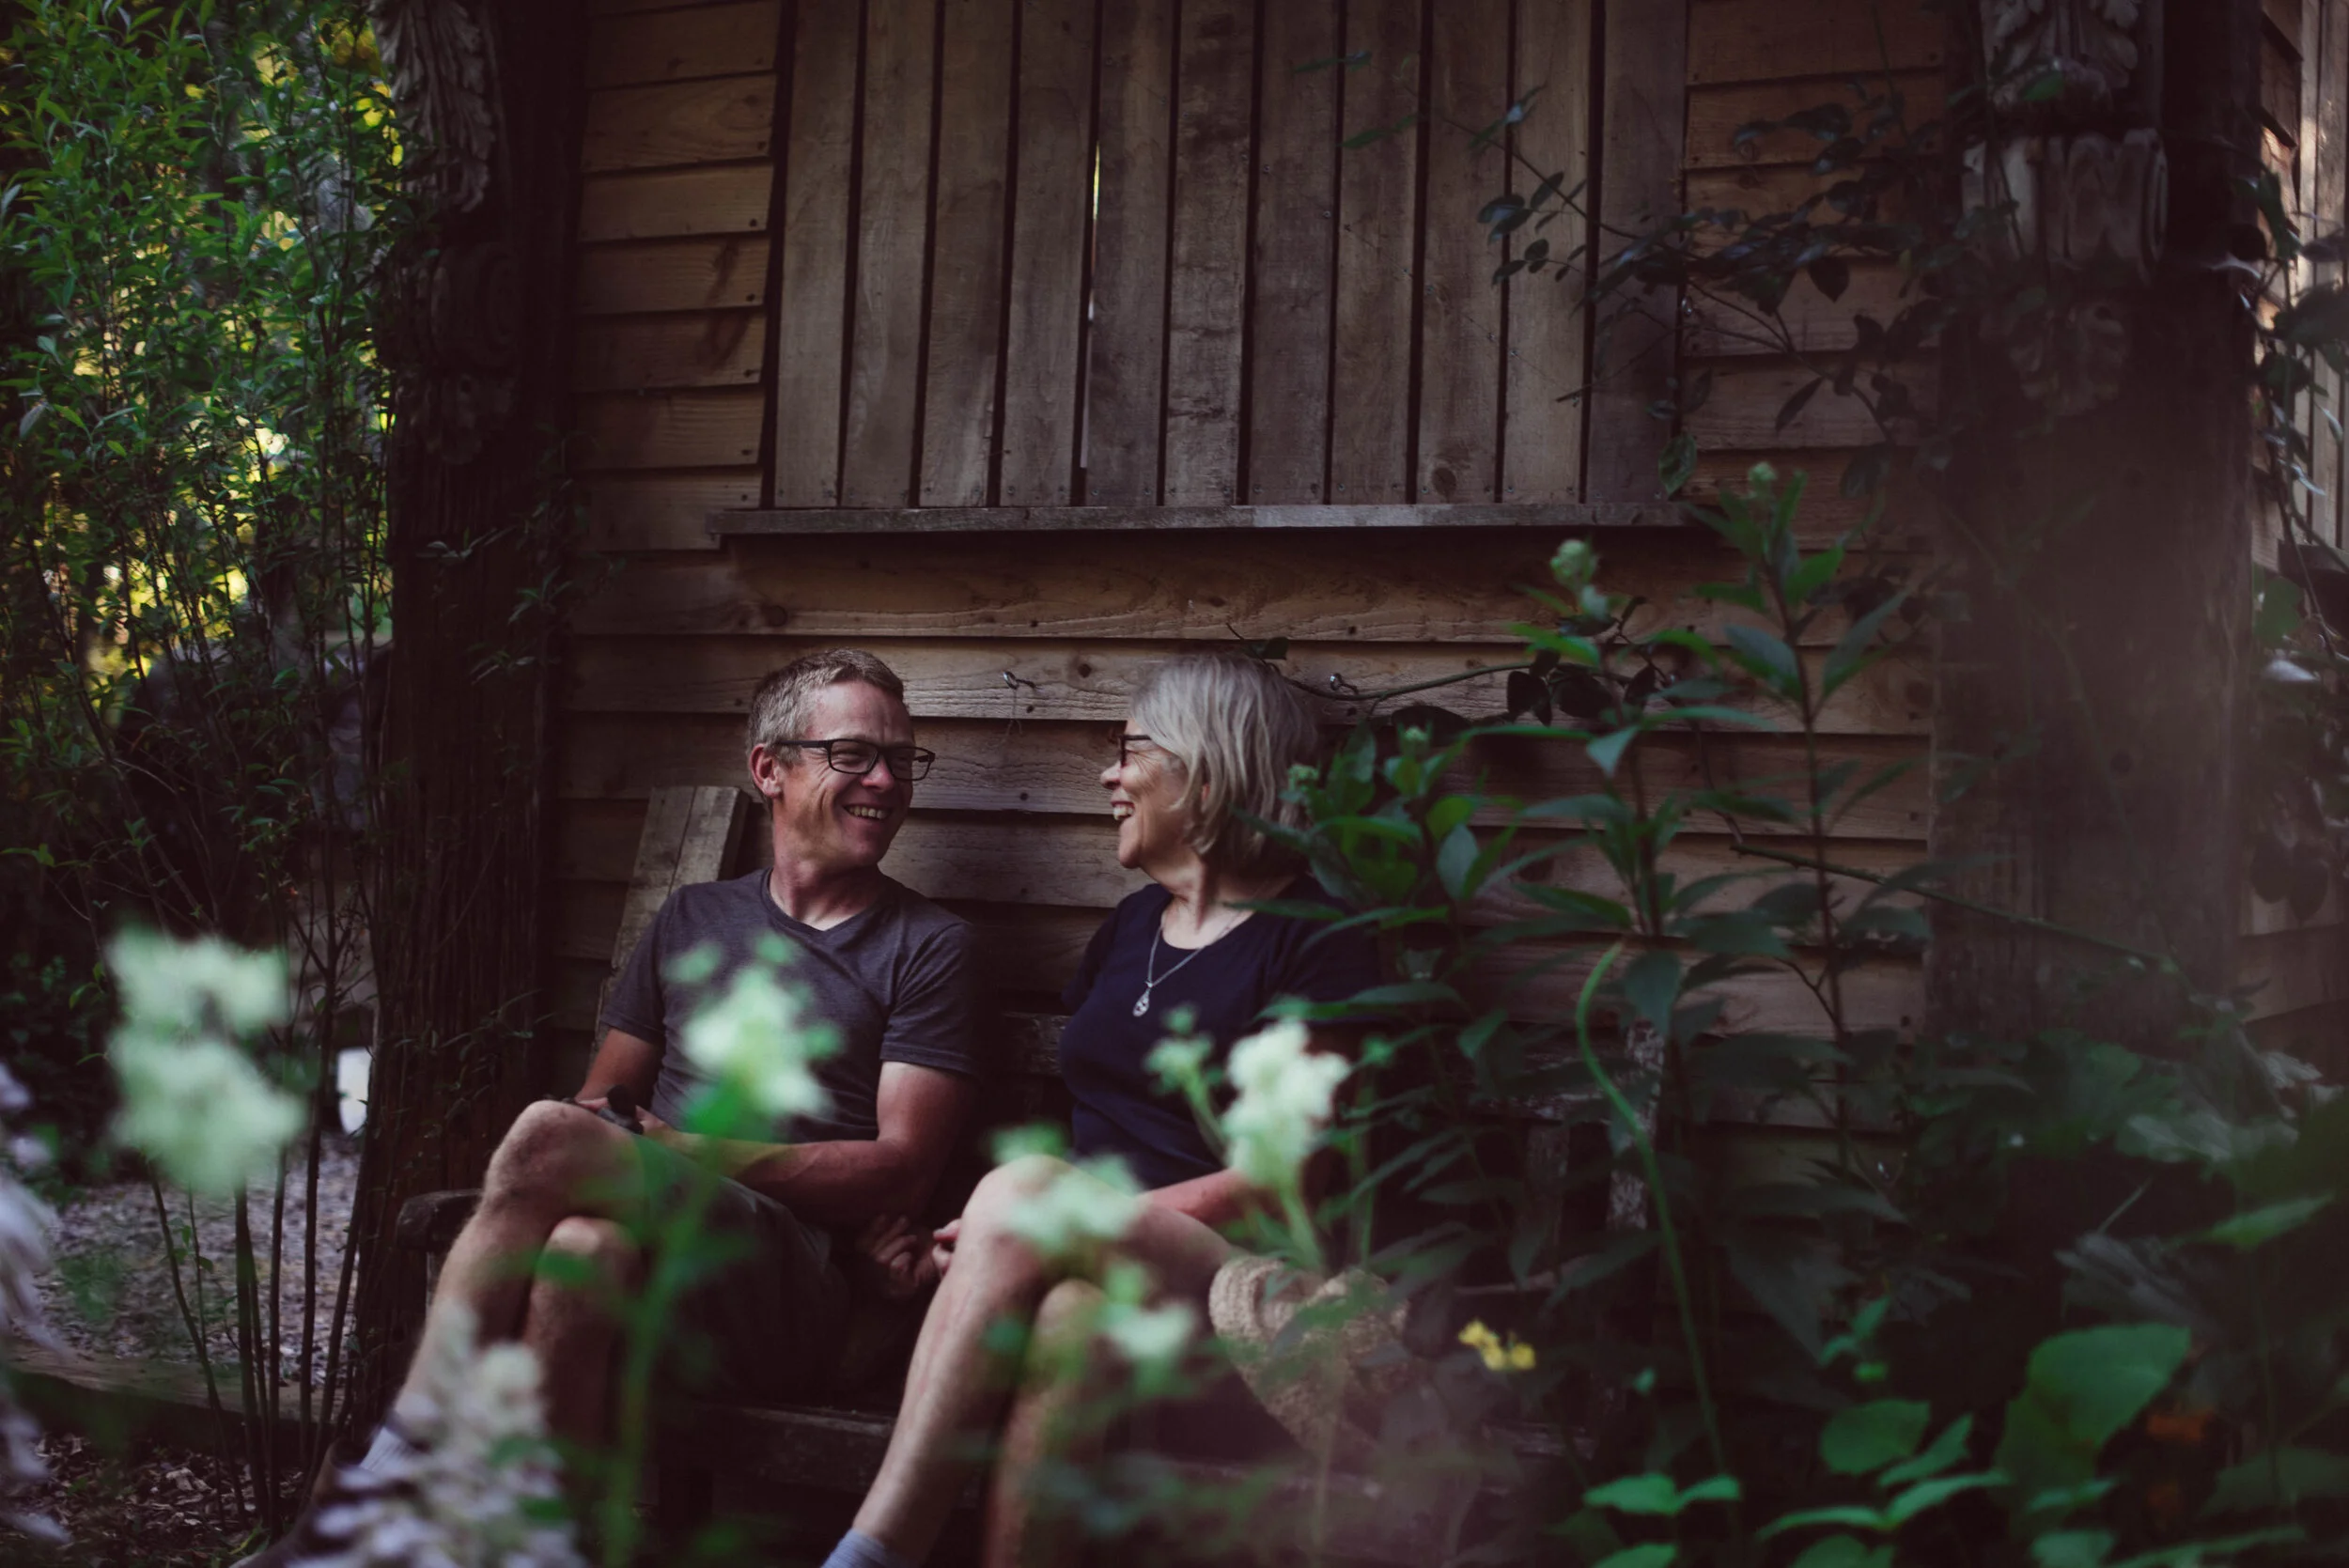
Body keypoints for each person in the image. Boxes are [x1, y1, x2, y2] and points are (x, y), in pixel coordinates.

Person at [246, 647, 983, 1564]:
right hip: (652, 1257)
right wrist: (638, 1152)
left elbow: (902, 1167)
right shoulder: (691, 919)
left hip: (790, 1282)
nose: (885, 781)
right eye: (854, 755)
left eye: (900, 759)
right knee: (579, 1251)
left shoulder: (928, 947)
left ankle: (390, 1475)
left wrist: (684, 1152)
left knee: (545, 1134)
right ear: (769, 768)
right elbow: (605, 1101)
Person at [826, 652, 1381, 1568]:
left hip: (1239, 1293)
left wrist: (1036, 1224)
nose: (1107, 776)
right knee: (1068, 1318)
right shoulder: (1127, 930)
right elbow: (1078, 1139)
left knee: (1027, 1198)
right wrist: (997, 1243)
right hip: (1094, 1276)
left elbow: (1277, 1182)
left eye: (1130, 751)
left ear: (1206, 771)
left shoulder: (1321, 943)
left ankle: (871, 1553)